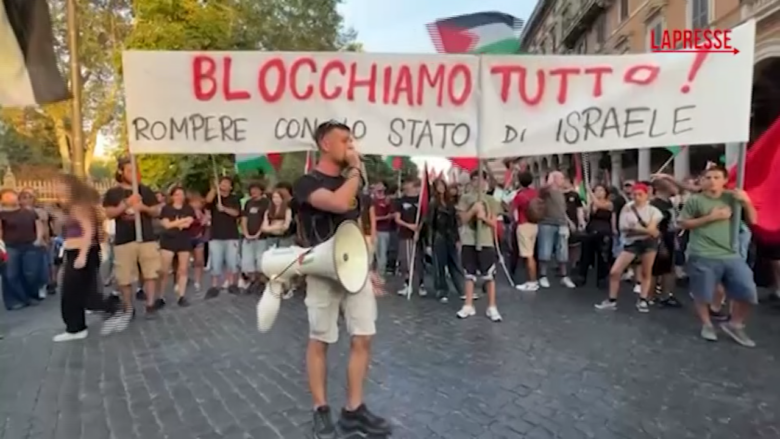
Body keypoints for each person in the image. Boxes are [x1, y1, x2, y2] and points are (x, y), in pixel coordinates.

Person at [293, 121, 390, 438]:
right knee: (320, 338)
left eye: (352, 140)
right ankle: (320, 410)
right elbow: (336, 203)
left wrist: (370, 265)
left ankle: (354, 409)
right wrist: (356, 172)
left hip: (355, 268)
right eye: (345, 140)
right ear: (324, 143)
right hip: (322, 268)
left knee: (363, 336)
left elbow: (357, 223)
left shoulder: (353, 183)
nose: (351, 145)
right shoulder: (307, 182)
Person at [679, 166, 758, 346]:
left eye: (716, 177)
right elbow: (682, 223)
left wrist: (747, 201)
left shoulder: (732, 197)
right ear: (703, 180)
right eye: (708, 177)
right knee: (703, 294)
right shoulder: (695, 200)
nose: (712, 181)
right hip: (703, 253)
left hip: (731, 253)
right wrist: (710, 218)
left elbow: (753, 220)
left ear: (724, 180)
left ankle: (735, 324)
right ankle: (707, 324)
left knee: (747, 291)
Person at [102, 158, 161, 330]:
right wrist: (126, 204)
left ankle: (150, 306)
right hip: (124, 240)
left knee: (151, 273)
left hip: (147, 238)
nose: (134, 174)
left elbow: (157, 211)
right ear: (121, 171)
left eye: (136, 170)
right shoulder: (113, 193)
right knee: (124, 278)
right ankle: (129, 307)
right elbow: (109, 213)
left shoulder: (145, 190)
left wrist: (144, 208)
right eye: (129, 170)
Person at [52, 175, 104, 342]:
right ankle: (76, 325)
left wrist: (82, 255)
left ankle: (76, 328)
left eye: (59, 185)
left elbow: (88, 231)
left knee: (71, 292)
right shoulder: (73, 207)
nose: (56, 188)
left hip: (81, 250)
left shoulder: (79, 206)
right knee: (75, 291)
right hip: (76, 249)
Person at [595, 183, 661, 313]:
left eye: (640, 194)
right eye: (634, 194)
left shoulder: (654, 210)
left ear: (646, 195)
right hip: (632, 243)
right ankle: (612, 300)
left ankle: (643, 299)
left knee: (646, 272)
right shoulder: (627, 208)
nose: (636, 197)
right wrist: (645, 230)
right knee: (615, 271)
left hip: (649, 243)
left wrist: (637, 229)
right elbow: (624, 228)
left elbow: (652, 230)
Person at [456, 170, 503, 322]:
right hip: (469, 240)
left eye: (481, 180)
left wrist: (483, 217)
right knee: (469, 274)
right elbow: (462, 219)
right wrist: (473, 211)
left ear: (485, 181)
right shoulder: (465, 198)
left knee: (489, 275)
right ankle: (468, 304)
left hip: (485, 241)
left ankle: (491, 306)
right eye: (475, 180)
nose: (478, 183)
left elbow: (494, 223)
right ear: (472, 182)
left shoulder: (491, 200)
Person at [0, 189, 43, 309]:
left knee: (31, 273)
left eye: (12, 195)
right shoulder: (2, 214)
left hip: (30, 245)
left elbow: (38, 224)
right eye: (7, 196)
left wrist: (39, 239)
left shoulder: (28, 212)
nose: (11, 198)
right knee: (11, 274)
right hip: (10, 246)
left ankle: (31, 295)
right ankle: (17, 300)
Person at [536, 171, 576, 289]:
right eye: (561, 178)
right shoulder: (547, 191)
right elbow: (541, 191)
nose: (563, 180)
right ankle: (543, 276)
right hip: (547, 223)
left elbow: (562, 210)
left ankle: (564, 276)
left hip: (561, 224)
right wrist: (549, 181)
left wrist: (569, 222)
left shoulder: (561, 193)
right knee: (545, 250)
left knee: (563, 251)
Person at [204, 176, 241, 298]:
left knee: (232, 261)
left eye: (227, 183)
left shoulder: (234, 199)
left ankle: (232, 284)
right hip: (216, 235)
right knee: (216, 261)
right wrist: (214, 188)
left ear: (231, 187)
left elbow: (236, 213)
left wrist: (224, 209)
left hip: (231, 235)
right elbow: (207, 201)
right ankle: (214, 286)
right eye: (222, 183)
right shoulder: (215, 198)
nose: (224, 185)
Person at [158, 186, 195, 306]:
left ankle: (181, 295)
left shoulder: (188, 208)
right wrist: (180, 222)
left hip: (183, 240)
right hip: (168, 241)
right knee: (164, 270)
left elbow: (188, 223)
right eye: (177, 194)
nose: (180, 197)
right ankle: (161, 296)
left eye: (182, 194)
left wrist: (174, 223)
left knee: (183, 269)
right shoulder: (166, 209)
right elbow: (166, 225)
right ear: (172, 196)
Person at [429, 178, 463, 303]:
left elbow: (454, 222)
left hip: (450, 236)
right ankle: (441, 290)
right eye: (438, 186)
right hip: (439, 235)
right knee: (439, 265)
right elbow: (430, 222)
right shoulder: (433, 203)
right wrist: (429, 240)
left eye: (442, 185)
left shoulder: (449, 202)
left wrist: (457, 238)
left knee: (455, 263)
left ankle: (462, 289)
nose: (441, 188)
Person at [393, 179, 425, 297]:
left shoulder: (421, 201)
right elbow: (397, 218)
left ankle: (421, 284)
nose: (406, 186)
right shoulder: (400, 201)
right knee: (406, 261)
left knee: (418, 261)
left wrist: (418, 229)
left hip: (418, 236)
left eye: (408, 184)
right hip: (405, 234)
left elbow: (423, 217)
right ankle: (407, 284)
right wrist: (410, 226)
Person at [577, 185, 613, 287]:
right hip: (591, 230)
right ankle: (582, 276)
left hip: (604, 231)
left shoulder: (609, 204)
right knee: (586, 254)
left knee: (603, 256)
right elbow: (588, 215)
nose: (598, 192)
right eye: (596, 190)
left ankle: (602, 278)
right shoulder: (592, 203)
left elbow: (600, 205)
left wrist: (590, 192)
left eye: (601, 190)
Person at [512, 171, 541, 291]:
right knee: (531, 253)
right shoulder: (535, 193)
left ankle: (532, 281)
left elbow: (514, 213)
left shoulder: (519, 195)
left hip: (523, 225)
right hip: (534, 224)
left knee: (528, 255)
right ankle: (532, 280)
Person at [240, 183, 269, 292]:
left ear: (261, 190)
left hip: (261, 237)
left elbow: (265, 219)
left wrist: (258, 233)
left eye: (256, 189)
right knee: (248, 260)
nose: (254, 192)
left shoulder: (266, 203)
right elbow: (244, 218)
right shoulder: (248, 203)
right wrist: (246, 233)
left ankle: (261, 282)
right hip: (248, 236)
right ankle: (252, 281)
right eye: (252, 190)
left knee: (260, 260)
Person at [372, 182, 393, 276]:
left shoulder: (387, 201)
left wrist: (377, 218)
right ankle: (373, 273)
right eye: (377, 187)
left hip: (383, 231)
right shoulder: (372, 201)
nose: (379, 189)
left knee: (382, 254)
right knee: (373, 253)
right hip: (372, 231)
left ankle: (380, 273)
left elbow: (390, 215)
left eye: (381, 188)